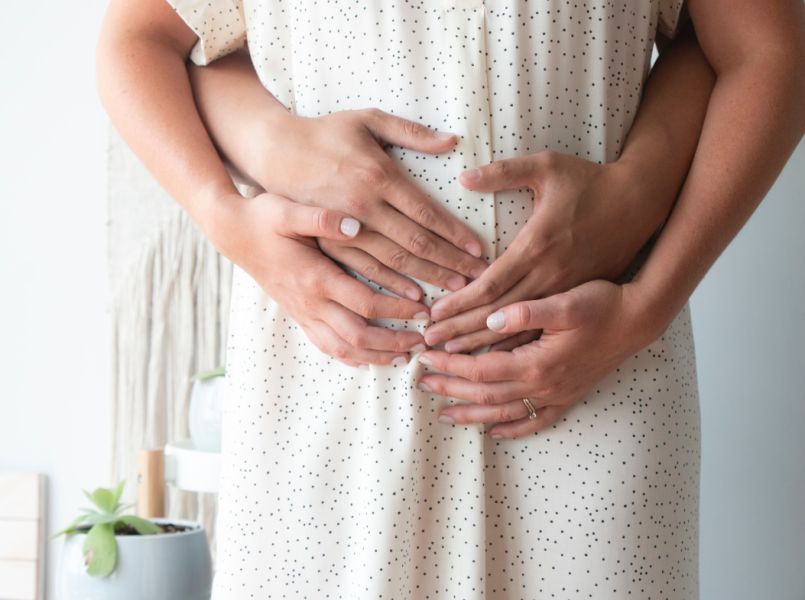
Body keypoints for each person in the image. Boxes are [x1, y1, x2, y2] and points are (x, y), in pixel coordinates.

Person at [95, 0, 804, 597]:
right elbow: (142, 37)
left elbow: (763, 48)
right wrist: (227, 218)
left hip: (589, 379)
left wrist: (646, 301)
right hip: (327, 387)